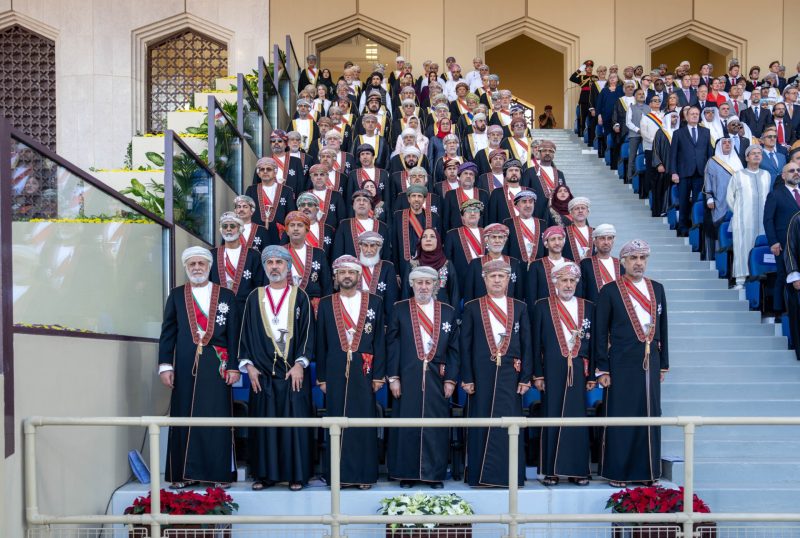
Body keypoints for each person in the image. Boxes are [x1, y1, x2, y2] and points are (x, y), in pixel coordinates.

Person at [158, 247, 240, 489]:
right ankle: (183, 475)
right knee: (183, 416)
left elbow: (234, 334)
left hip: (218, 366)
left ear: (209, 266)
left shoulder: (226, 295)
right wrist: (165, 365)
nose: (196, 268)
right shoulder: (176, 295)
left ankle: (218, 474)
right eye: (192, 264)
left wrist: (234, 367)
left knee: (216, 418)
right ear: (186, 267)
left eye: (201, 263)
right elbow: (168, 333)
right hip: (184, 366)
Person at [238, 245, 315, 491]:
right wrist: (248, 367)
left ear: (288, 266)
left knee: (295, 427)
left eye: (279, 262)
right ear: (264, 267)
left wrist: (301, 364)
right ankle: (264, 475)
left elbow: (307, 334)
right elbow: (244, 336)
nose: (274, 266)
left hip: (293, 374)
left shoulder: (300, 296)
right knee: (265, 427)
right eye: (270, 262)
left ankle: (296, 475)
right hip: (262, 375)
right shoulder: (254, 297)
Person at [595, 239, 669, 488]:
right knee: (622, 415)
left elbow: (664, 329)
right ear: (623, 262)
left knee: (650, 414)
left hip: (650, 361)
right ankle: (619, 472)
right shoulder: (609, 290)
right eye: (634, 259)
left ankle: (647, 470)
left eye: (643, 258)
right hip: (620, 363)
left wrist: (664, 363)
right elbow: (599, 332)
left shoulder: (657, 289)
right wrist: (602, 368)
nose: (639, 263)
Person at [315, 255, 386, 489]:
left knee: (363, 421)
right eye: (342, 272)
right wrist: (322, 377)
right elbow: (321, 343)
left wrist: (378, 375)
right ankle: (336, 475)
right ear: (336, 276)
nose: (347, 276)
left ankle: (364, 475)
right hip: (334, 370)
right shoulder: (326, 303)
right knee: (336, 418)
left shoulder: (374, 302)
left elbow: (379, 340)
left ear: (359, 275)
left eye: (351, 272)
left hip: (365, 370)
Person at [387, 266, 461, 488]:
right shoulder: (399, 309)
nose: (423, 287)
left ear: (435, 285)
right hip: (407, 378)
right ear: (412, 284)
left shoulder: (447, 311)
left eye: (428, 283)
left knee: (435, 426)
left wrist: (451, 379)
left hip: (438, 379)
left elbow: (454, 349)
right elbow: (392, 344)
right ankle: (407, 474)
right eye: (419, 282)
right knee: (407, 425)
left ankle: (434, 474)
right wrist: (393, 377)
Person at [460, 258, 532, 488]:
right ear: (485, 279)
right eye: (493, 276)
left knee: (509, 422)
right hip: (481, 375)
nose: (497, 280)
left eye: (502, 276)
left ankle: (510, 476)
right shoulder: (472, 306)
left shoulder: (519, 306)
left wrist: (526, 377)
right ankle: (480, 476)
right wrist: (467, 377)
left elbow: (527, 343)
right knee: (481, 420)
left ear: (508, 279)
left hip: (511, 375)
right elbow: (465, 345)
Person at [532, 262, 595, 486]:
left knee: (577, 419)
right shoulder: (542, 306)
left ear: (577, 282)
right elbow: (535, 343)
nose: (568, 285)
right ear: (554, 282)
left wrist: (593, 376)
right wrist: (537, 375)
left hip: (579, 371)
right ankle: (551, 471)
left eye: (572, 281)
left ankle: (578, 470)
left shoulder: (587, 307)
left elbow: (594, 343)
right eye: (564, 280)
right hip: (550, 370)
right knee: (551, 416)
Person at [765, 163, 800, 352]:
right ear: (784, 175)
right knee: (783, 276)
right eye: (792, 171)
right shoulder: (776, 194)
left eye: (798, 170)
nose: (796, 173)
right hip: (783, 244)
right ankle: (779, 312)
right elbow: (768, 219)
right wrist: (773, 242)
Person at [726, 145, 772, 289]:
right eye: (753, 154)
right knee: (742, 248)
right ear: (747, 157)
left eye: (759, 153)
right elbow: (729, 198)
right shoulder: (738, 175)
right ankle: (740, 280)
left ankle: (760, 278)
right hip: (743, 221)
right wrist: (740, 212)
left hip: (763, 221)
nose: (757, 156)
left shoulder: (766, 175)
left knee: (761, 247)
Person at [209, 212, 266, 321]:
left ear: (240, 229)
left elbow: (260, 286)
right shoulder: (211, 255)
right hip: (217, 309)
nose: (228, 229)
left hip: (246, 310)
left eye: (232, 226)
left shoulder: (253, 255)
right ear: (221, 230)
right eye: (225, 226)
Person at [668, 106, 713, 236]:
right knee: (683, 201)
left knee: (697, 201)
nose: (694, 116)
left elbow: (709, 153)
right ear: (686, 117)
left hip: (700, 173)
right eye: (691, 114)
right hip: (683, 173)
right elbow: (673, 155)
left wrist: (709, 172)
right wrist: (674, 172)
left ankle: (695, 226)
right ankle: (682, 227)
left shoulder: (706, 132)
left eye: (696, 114)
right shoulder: (678, 133)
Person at [464, 223, 524, 301]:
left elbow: (518, 295)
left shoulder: (514, 263)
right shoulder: (475, 264)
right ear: (486, 240)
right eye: (493, 237)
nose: (497, 241)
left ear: (505, 240)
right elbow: (469, 295)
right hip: (481, 311)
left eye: (500, 237)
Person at [704, 137, 743, 252]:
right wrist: (709, 198)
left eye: (729, 142)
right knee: (720, 228)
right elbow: (708, 181)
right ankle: (719, 255)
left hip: (737, 200)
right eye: (724, 143)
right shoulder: (712, 161)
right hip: (719, 200)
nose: (727, 144)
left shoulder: (737, 161)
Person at [404, 228, 460, 308]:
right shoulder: (412, 265)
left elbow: (454, 294)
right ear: (421, 242)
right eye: (424, 237)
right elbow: (406, 293)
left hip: (442, 314)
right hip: (416, 314)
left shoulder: (447, 264)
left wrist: (455, 317)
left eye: (432, 237)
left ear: (438, 241)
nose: (428, 240)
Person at [245, 157, 297, 232]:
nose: (265, 172)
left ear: (275, 172)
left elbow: (291, 215)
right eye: (262, 169)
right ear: (258, 174)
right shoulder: (251, 190)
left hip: (280, 235)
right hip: (256, 234)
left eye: (269, 169)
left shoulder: (287, 191)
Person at [356, 230, 399, 321]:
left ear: (379, 247)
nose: (368, 250)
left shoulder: (388, 267)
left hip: (379, 319)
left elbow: (391, 299)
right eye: (365, 245)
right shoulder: (352, 266)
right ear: (360, 246)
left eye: (372, 246)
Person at [525, 225, 573, 304]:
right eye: (553, 239)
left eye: (560, 239)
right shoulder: (536, 265)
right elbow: (531, 296)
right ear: (546, 244)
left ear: (564, 242)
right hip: (545, 313)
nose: (557, 243)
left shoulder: (572, 265)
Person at [579, 224, 622, 303]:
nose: (606, 242)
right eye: (602, 238)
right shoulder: (585, 264)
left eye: (609, 238)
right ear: (595, 241)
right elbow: (582, 292)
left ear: (613, 241)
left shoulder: (620, 264)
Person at [444, 199, 485, 278]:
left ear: (480, 215)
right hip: (461, 280)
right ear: (462, 216)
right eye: (468, 211)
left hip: (485, 279)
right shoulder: (452, 234)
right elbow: (448, 262)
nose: (472, 213)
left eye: (476, 210)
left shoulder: (487, 233)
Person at [503, 190, 544, 267]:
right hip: (516, 267)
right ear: (517, 206)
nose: (528, 205)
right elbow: (505, 250)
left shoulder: (542, 224)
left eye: (531, 202)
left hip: (538, 268)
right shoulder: (508, 223)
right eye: (524, 202)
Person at [570, 60, 598, 139]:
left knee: (592, 120)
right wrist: (579, 70)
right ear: (585, 69)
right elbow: (571, 78)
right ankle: (581, 135)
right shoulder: (582, 77)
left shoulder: (595, 77)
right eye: (587, 67)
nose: (589, 68)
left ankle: (592, 137)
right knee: (582, 118)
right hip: (584, 100)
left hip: (593, 101)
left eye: (590, 67)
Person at [562, 197, 594, 261]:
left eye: (583, 208)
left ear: (588, 212)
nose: (580, 211)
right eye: (577, 209)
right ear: (571, 213)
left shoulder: (595, 232)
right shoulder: (563, 232)